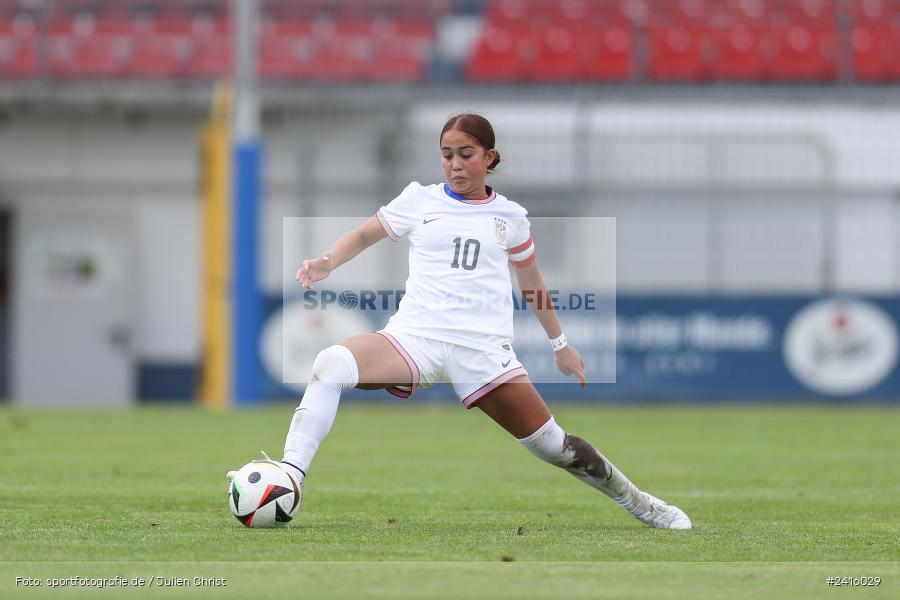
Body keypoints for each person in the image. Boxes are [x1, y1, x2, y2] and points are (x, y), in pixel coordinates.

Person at [232, 113, 690, 529]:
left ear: (489, 157)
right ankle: (291, 475)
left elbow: (532, 283)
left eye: (466, 154)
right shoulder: (419, 200)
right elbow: (366, 233)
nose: (454, 164)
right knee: (332, 363)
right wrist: (327, 262)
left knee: (553, 446)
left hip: (483, 351)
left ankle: (641, 503)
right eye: (447, 155)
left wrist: (560, 345)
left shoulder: (509, 218)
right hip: (414, 339)